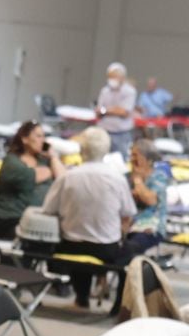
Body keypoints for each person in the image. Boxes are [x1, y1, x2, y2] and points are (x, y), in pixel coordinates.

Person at [43, 126, 134, 309]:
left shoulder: (68, 177)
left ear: (82, 150)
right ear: (107, 151)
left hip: (71, 246)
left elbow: (48, 210)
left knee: (77, 239)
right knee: (129, 252)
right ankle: (119, 306)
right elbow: (128, 213)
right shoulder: (117, 179)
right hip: (106, 249)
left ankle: (81, 298)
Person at [0, 121, 63, 244]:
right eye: (38, 136)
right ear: (24, 139)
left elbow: (62, 179)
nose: (43, 141)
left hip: (39, 220)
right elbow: (31, 176)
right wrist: (50, 170)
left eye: (43, 136)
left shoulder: (44, 160)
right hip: (13, 219)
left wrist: (54, 157)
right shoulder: (12, 162)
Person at [96, 63, 138, 156]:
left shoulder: (130, 91)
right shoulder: (105, 91)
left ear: (122, 78)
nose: (111, 80)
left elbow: (123, 112)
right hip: (104, 131)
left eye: (114, 77)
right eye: (110, 77)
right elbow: (99, 110)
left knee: (121, 161)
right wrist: (111, 110)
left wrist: (106, 110)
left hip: (121, 134)